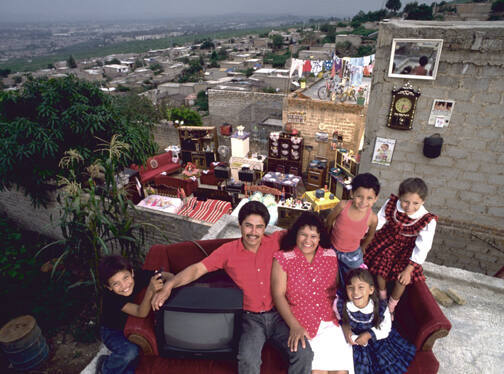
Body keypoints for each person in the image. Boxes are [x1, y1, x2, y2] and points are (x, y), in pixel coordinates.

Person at [151, 201, 313, 374]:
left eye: (259, 227)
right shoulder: (227, 251)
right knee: (247, 362)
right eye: (248, 226)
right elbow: (198, 269)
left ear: (266, 227)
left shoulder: (276, 241)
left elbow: (306, 232)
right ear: (240, 225)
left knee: (304, 354)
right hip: (251, 320)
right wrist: (170, 285)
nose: (253, 232)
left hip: (278, 314)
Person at [271, 211, 354, 374]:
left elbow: (338, 291)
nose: (308, 241)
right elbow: (278, 295)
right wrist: (294, 326)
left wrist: (345, 321)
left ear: (319, 237)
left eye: (313, 236)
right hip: (302, 323)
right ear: (295, 234)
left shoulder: (330, 256)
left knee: (341, 372)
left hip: (330, 322)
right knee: (317, 372)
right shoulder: (283, 258)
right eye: (303, 235)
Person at [364, 178, 437, 318]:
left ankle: (391, 307)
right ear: (400, 196)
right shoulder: (392, 204)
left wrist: (409, 270)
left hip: (408, 249)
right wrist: (365, 238)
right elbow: (379, 222)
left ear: (423, 201)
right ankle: (382, 296)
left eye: (415, 203)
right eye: (405, 201)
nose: (409, 206)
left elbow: (423, 247)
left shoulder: (427, 220)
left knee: (402, 280)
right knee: (379, 270)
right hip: (387, 240)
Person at [97, 255, 172, 374]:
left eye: (125, 278)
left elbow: (162, 275)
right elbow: (140, 312)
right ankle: (105, 368)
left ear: (132, 273)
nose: (124, 285)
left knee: (132, 365)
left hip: (127, 325)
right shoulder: (110, 298)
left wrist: (172, 282)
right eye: (116, 284)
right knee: (130, 352)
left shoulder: (138, 275)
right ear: (109, 287)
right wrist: (150, 291)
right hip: (112, 331)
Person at [334, 268, 416, 374]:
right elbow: (337, 319)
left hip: (377, 340)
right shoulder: (341, 305)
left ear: (371, 290)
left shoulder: (380, 306)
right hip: (355, 341)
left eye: (361, 287)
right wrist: (345, 327)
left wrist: (369, 334)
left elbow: (386, 328)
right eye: (350, 288)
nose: (355, 292)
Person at [326, 173, 380, 286]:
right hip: (332, 247)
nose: (364, 202)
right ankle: (335, 295)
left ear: (376, 198)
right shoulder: (342, 206)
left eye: (369, 198)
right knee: (330, 276)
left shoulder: (372, 218)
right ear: (352, 193)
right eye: (359, 196)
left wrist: (363, 247)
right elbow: (329, 220)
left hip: (352, 254)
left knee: (355, 279)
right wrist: (327, 237)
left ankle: (348, 297)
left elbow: (370, 236)